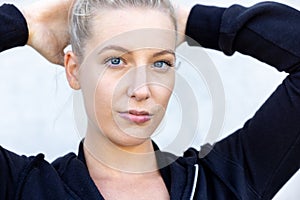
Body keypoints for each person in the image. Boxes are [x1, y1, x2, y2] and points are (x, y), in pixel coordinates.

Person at [0, 0, 299, 199]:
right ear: (75, 70)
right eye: (116, 60)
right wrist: (26, 23)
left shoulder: (222, 183)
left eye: (160, 63)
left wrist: (188, 20)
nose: (141, 89)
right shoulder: (22, 187)